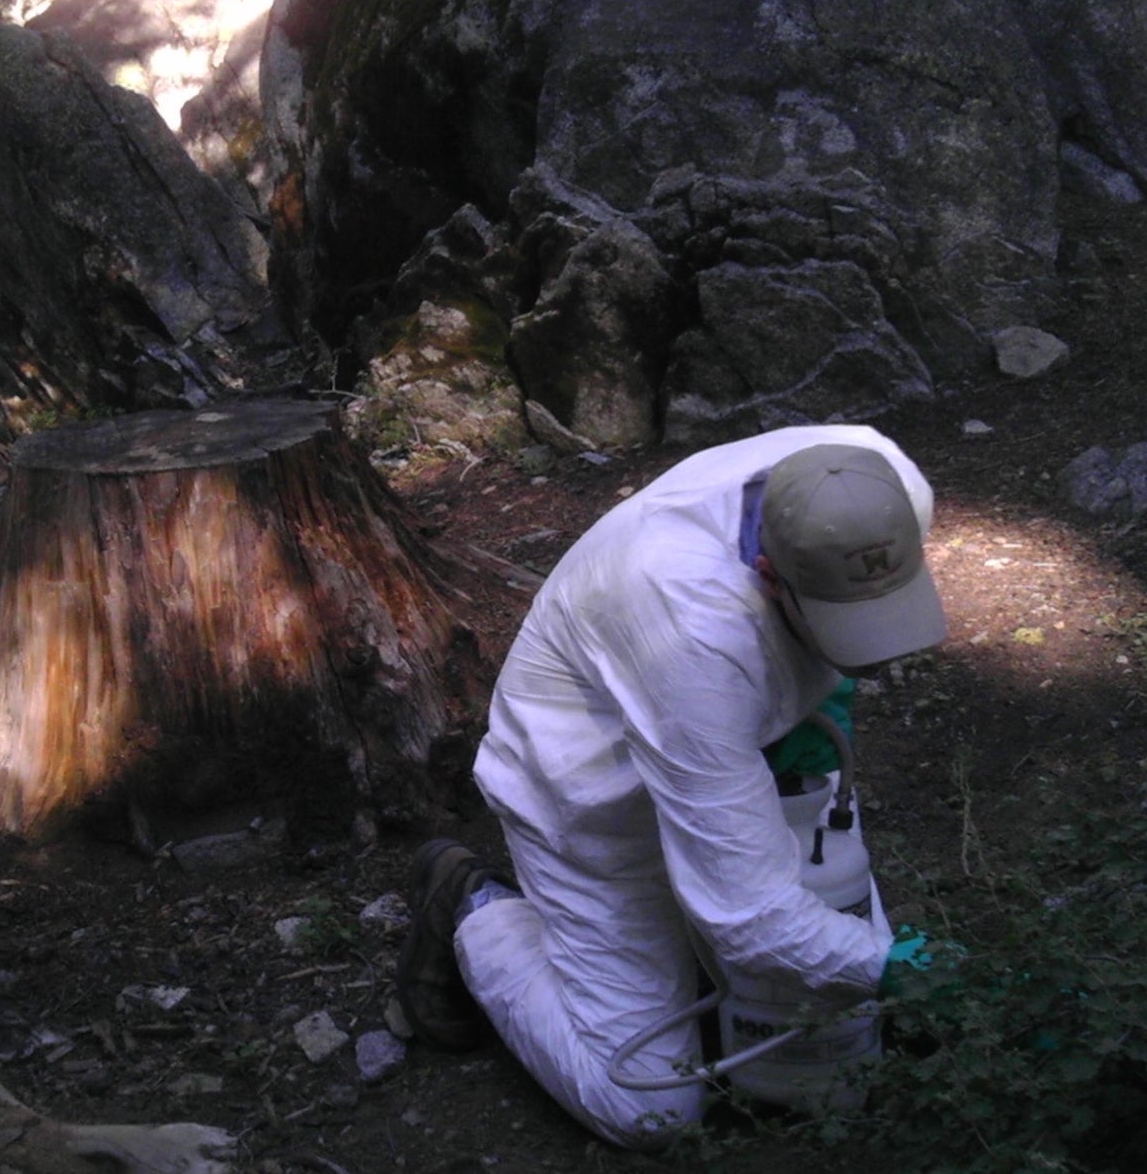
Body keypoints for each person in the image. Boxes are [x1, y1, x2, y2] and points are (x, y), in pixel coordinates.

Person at [396, 425, 950, 1147]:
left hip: (721, 744)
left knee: (836, 984)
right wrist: (909, 973)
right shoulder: (687, 627)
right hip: (588, 794)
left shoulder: (878, 478)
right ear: (767, 573)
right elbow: (751, 916)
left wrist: (800, 706)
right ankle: (475, 908)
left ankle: (687, 944)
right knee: (650, 1111)